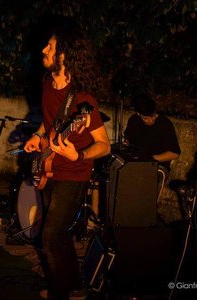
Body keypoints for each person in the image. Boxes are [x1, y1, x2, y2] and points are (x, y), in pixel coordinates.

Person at [24, 26, 111, 300]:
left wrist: (80, 155)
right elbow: (49, 122)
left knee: (49, 237)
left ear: (66, 55)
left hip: (74, 172)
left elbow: (104, 144)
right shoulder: (48, 84)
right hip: (50, 167)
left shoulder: (84, 100)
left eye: (50, 47)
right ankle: (75, 286)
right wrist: (38, 137)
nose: (43, 50)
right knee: (59, 236)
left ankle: (60, 292)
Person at [124, 93, 181, 172]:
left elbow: (175, 153)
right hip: (136, 164)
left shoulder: (165, 124)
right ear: (138, 114)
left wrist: (150, 159)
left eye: (153, 116)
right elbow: (128, 142)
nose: (151, 121)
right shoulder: (133, 120)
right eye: (146, 118)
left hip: (157, 167)